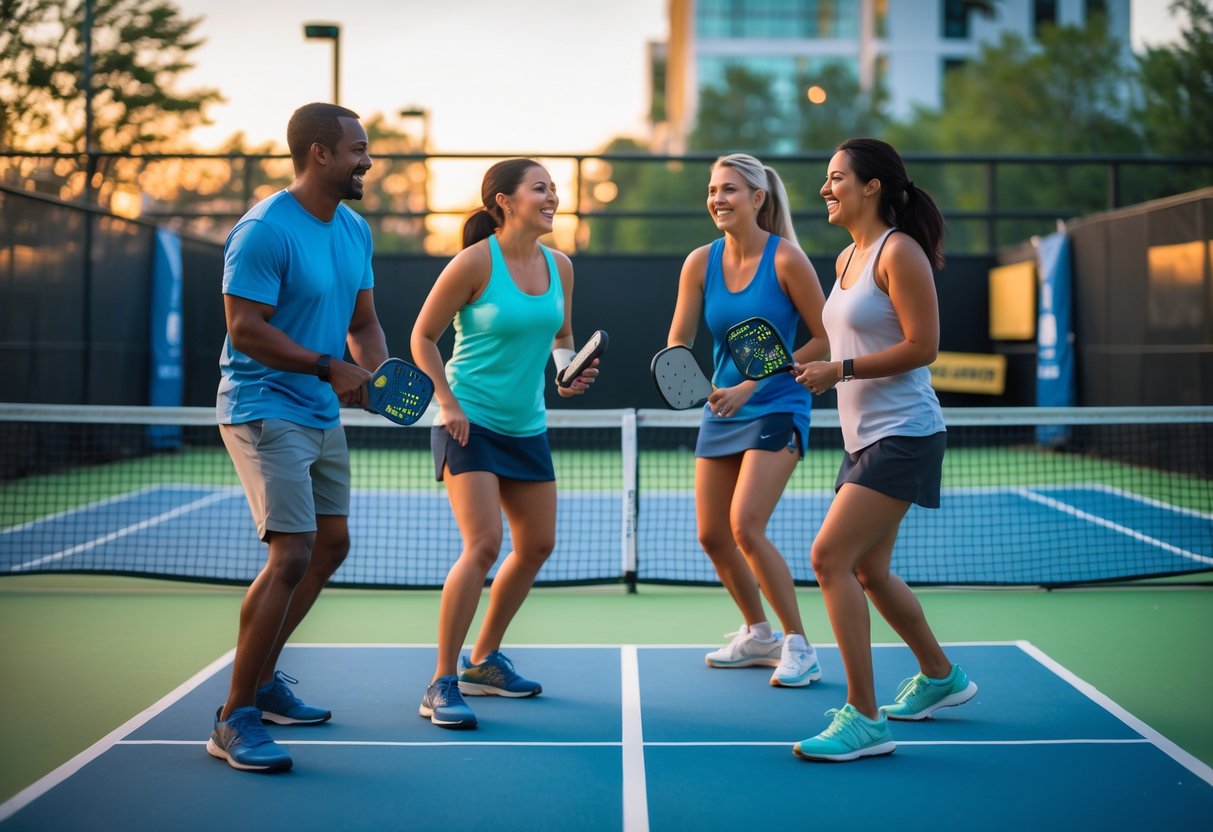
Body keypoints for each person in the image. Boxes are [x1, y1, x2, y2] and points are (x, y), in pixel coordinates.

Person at [209, 102, 388, 772]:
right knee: (291, 554)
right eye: (357, 150)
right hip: (261, 406)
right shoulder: (262, 231)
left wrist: (368, 374)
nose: (366, 161)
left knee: (330, 545)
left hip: (319, 407)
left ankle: (261, 678)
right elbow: (245, 328)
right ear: (319, 154)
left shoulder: (353, 229)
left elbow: (364, 322)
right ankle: (233, 717)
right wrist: (325, 366)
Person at [791, 137, 977, 762]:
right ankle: (941, 677)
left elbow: (924, 347)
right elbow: (827, 342)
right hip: (863, 437)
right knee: (867, 569)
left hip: (905, 433)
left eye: (837, 177)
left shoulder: (900, 253)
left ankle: (865, 719)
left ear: (871, 186)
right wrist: (753, 381)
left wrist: (840, 370)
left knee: (829, 559)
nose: (826, 188)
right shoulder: (846, 259)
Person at [410, 158, 598, 729]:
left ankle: (484, 660)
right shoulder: (473, 263)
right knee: (484, 544)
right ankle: (441, 680)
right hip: (469, 421)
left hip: (527, 425)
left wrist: (567, 372)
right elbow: (422, 336)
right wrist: (447, 403)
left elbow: (561, 336)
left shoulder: (560, 266)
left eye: (553, 188)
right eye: (540, 188)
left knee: (537, 544)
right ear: (504, 201)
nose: (552, 197)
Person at [665, 153, 830, 688]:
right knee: (713, 535)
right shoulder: (699, 262)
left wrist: (750, 385)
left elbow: (824, 340)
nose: (718, 199)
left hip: (779, 403)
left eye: (730, 190)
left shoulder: (787, 261)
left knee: (745, 525)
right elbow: (678, 342)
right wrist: (700, 385)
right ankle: (759, 634)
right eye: (713, 190)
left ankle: (800, 645)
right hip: (723, 408)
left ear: (758, 199)